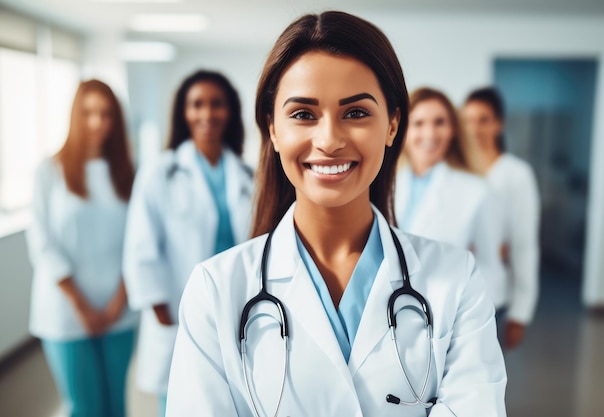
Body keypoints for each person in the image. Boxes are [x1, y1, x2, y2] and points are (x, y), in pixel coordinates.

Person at [166, 11, 506, 417]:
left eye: (356, 112)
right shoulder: (214, 290)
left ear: (393, 125)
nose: (329, 140)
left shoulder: (457, 280)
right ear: (273, 129)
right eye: (303, 114)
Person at [123, 70, 254, 416]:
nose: (207, 114)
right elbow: (141, 250)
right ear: (184, 112)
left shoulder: (246, 174)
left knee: (232, 401)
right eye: (197, 104)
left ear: (230, 111)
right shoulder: (160, 172)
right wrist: (166, 318)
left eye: (217, 104)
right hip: (177, 313)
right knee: (181, 402)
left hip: (235, 311)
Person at [27, 79, 136, 417]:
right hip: (66, 312)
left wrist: (119, 300)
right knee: (84, 408)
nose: (96, 122)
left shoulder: (128, 174)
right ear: (75, 115)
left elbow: (139, 242)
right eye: (88, 112)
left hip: (119, 310)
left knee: (115, 406)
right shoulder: (50, 172)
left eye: (105, 114)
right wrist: (82, 306)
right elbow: (43, 244)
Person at [396, 87, 505, 311]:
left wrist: (472, 321)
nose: (429, 134)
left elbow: (489, 266)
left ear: (453, 130)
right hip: (394, 311)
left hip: (453, 313)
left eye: (439, 122)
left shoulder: (477, 191)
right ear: (402, 130)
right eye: (418, 123)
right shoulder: (384, 185)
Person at [462, 86, 540, 350]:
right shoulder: (456, 170)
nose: (475, 129)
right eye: (468, 120)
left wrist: (521, 312)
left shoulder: (516, 174)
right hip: (454, 291)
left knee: (483, 377)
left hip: (493, 293)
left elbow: (523, 243)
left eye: (483, 120)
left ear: (499, 124)